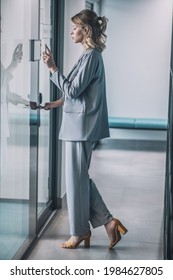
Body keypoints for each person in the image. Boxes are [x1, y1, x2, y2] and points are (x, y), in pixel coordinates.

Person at [43, 9, 127, 249]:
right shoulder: (89, 56)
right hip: (78, 126)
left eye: (75, 28)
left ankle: (80, 232)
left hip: (81, 128)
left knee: (76, 181)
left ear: (86, 30)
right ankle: (109, 224)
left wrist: (52, 68)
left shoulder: (91, 57)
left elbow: (72, 90)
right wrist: (56, 103)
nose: (71, 32)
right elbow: (78, 93)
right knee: (78, 179)